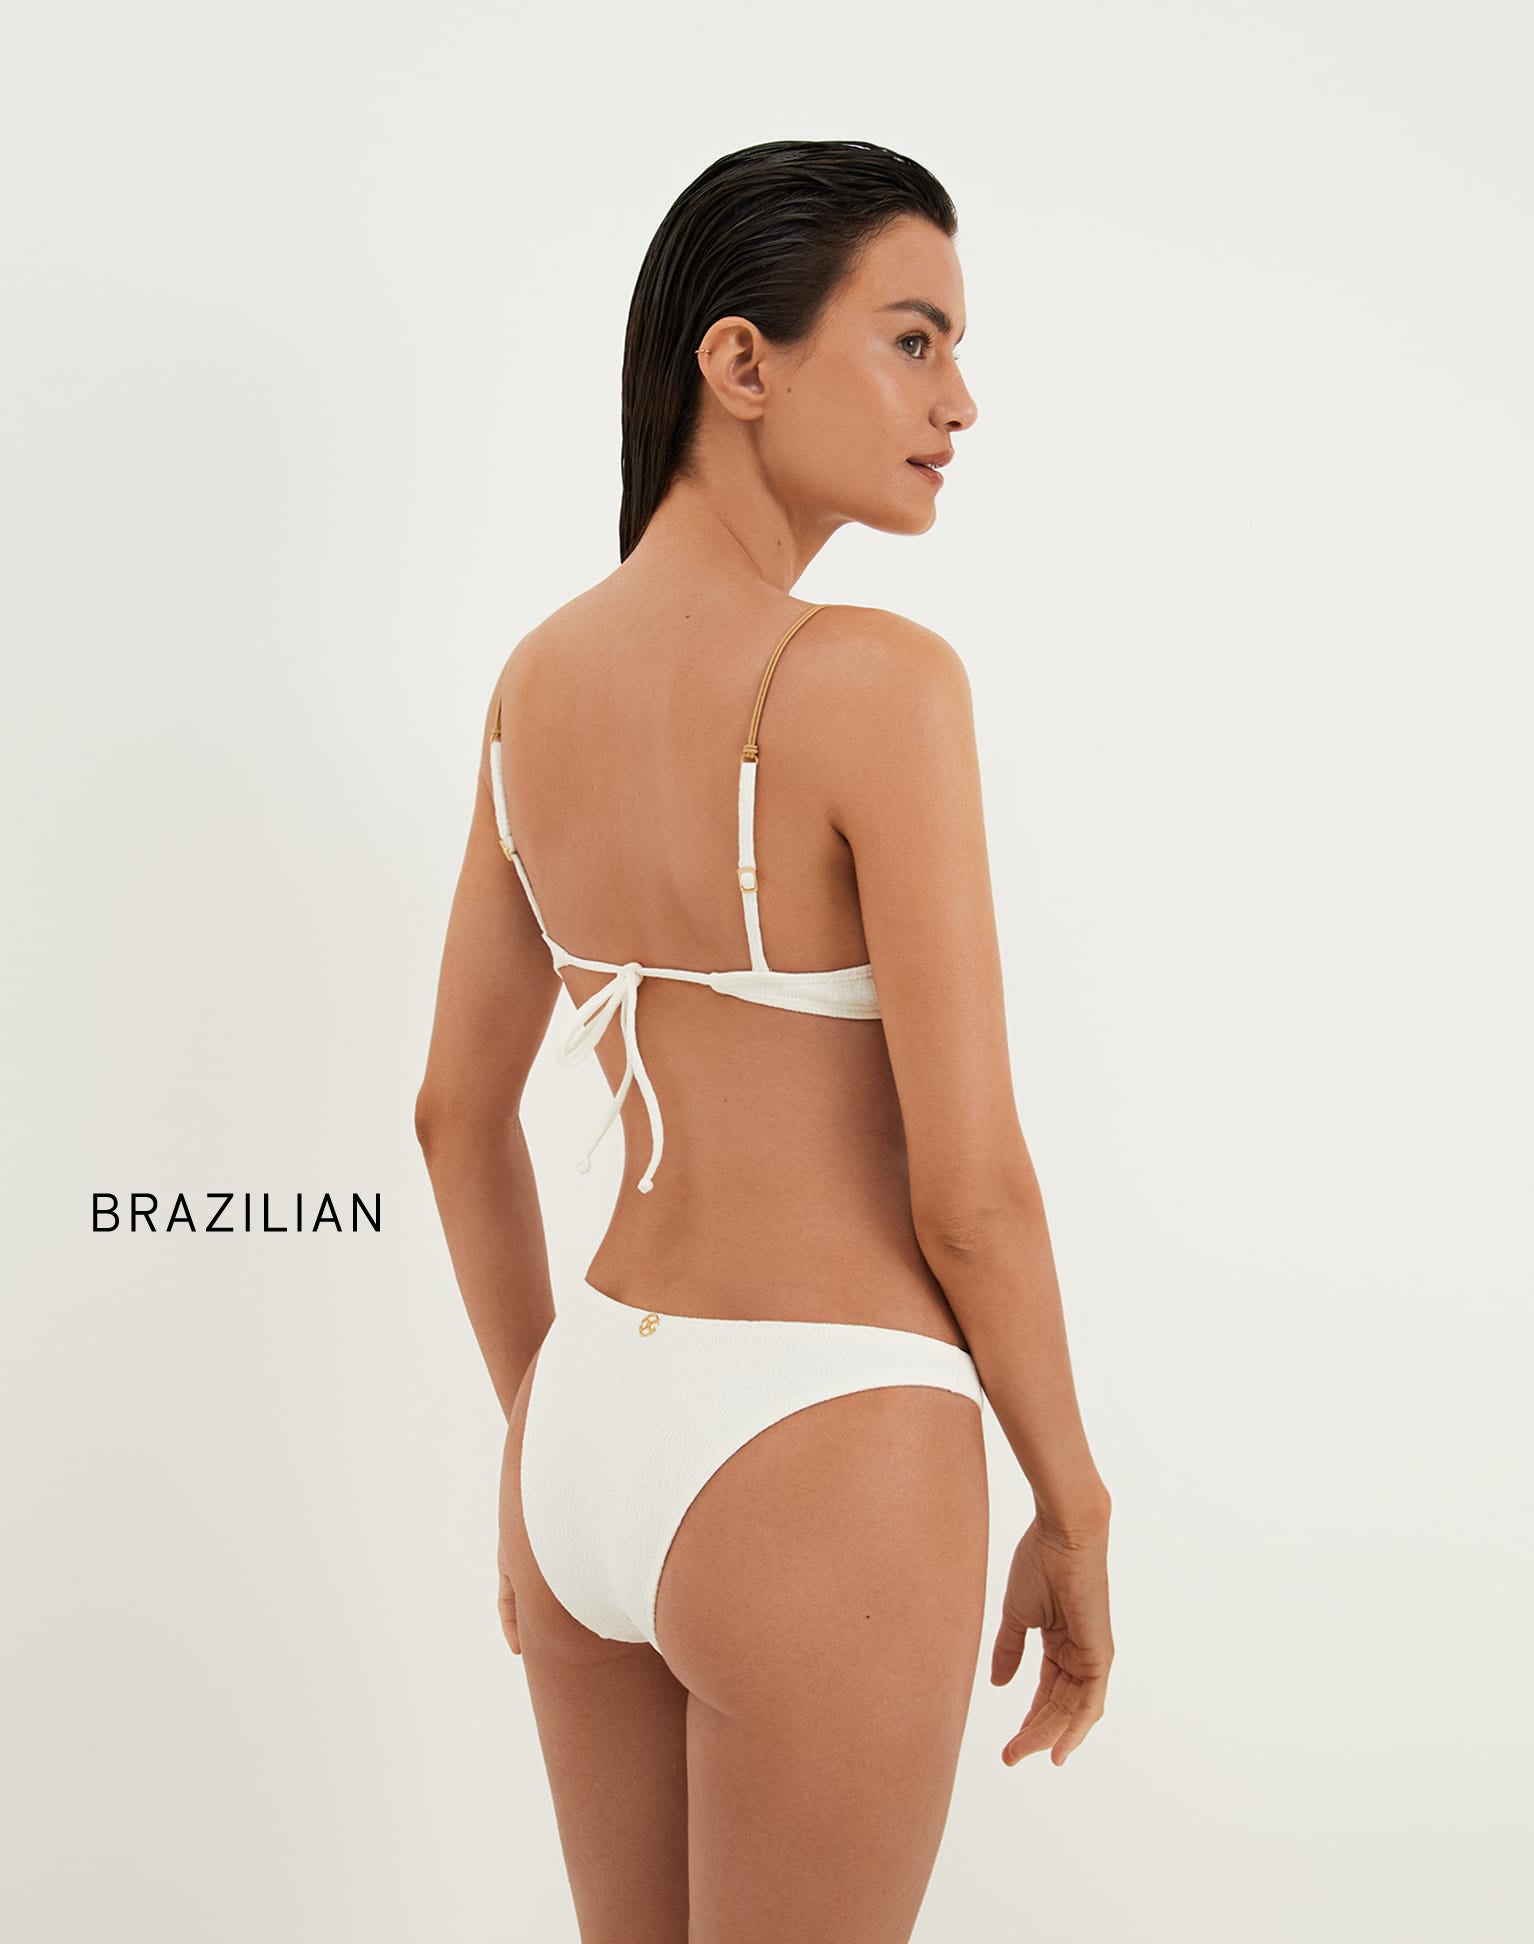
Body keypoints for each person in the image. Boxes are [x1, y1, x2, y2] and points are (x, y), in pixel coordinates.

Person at [415, 137, 1113, 1944]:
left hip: (584, 1415)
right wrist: (1073, 1506)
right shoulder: (876, 682)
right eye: (912, 339)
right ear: (740, 362)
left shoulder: (532, 683)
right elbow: (970, 1197)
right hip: (822, 1434)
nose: (959, 402)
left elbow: (449, 1118)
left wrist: (541, 1434)